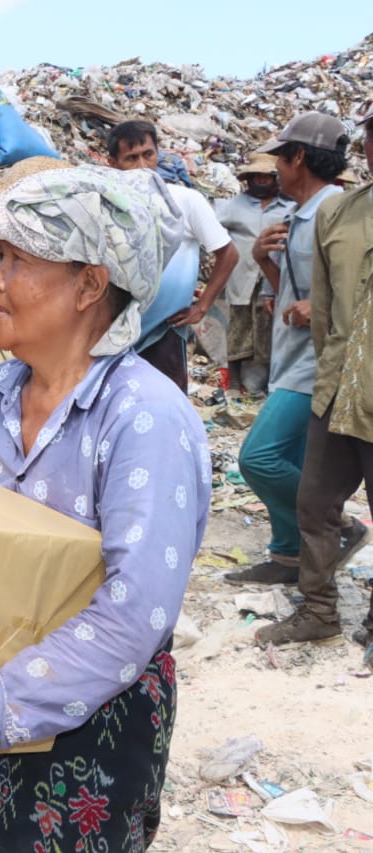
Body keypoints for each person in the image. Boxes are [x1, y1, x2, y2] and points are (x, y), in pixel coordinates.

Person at [0, 165, 211, 852]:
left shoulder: (145, 419)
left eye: (20, 260)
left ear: (91, 285)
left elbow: (134, 615)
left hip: (92, 715)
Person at [223, 112, 360, 588]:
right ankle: (287, 556)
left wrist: (315, 306)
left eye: (280, 157)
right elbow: (292, 301)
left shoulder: (338, 209)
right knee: (295, 461)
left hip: (318, 364)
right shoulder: (300, 214)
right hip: (292, 356)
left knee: (257, 458)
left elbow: (356, 289)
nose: (275, 168)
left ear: (299, 157)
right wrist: (264, 261)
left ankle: (338, 528)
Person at [255, 108, 373, 647]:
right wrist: (330, 372)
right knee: (314, 503)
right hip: (337, 384)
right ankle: (319, 611)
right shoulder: (341, 214)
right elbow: (321, 307)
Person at [107, 120, 239, 392]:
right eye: (131, 158)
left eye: (148, 154)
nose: (142, 165)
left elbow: (228, 253)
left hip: (164, 329)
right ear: (113, 164)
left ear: (158, 153)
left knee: (165, 401)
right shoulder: (108, 205)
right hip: (116, 329)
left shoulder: (184, 200)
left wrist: (202, 307)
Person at [215, 153, 294, 396]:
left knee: (269, 330)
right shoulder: (233, 206)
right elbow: (212, 230)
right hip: (241, 277)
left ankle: (264, 385)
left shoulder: (290, 208)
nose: (261, 180)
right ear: (249, 178)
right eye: (256, 176)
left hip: (273, 278)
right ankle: (236, 385)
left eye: (266, 176)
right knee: (238, 329)